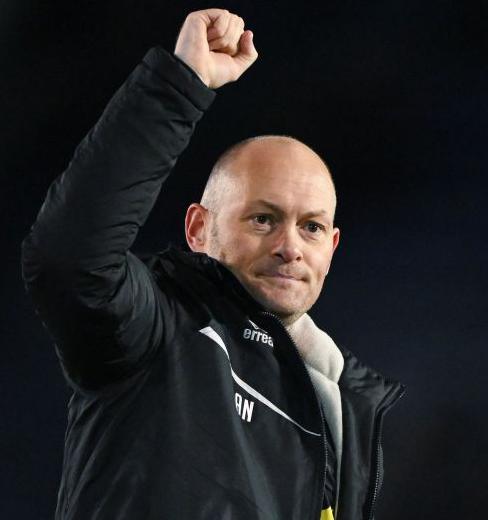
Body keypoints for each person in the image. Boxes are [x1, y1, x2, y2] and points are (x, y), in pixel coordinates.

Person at [22, 9, 403, 520]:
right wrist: (178, 88)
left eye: (311, 227)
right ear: (199, 228)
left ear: (332, 248)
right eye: (264, 219)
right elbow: (69, 257)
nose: (290, 246)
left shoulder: (341, 411)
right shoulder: (154, 328)